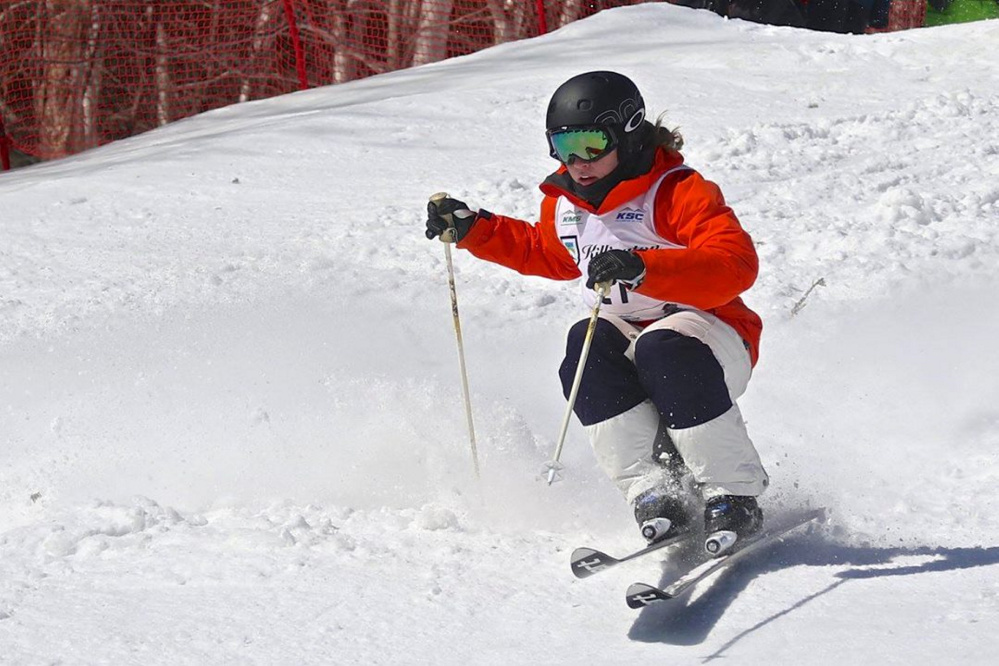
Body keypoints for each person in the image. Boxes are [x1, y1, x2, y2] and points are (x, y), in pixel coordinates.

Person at [425, 71, 769, 546]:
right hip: (629, 332)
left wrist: (646, 267)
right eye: (563, 147)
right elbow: (548, 254)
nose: (577, 162)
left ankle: (734, 494)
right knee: (585, 347)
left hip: (711, 333)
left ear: (627, 134)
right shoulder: (566, 203)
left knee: (662, 346)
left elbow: (735, 264)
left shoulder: (676, 191)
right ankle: (652, 489)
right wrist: (474, 230)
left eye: (590, 144)